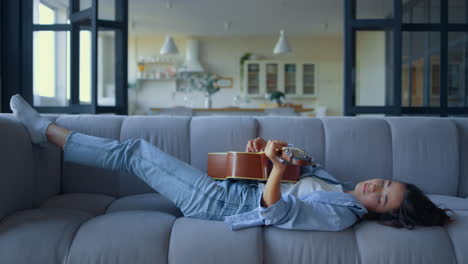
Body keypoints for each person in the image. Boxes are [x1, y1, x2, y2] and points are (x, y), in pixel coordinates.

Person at [8, 94, 453, 231]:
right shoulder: (341, 186)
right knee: (138, 154)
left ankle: (45, 132)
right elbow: (290, 177)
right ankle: (48, 133)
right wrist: (275, 156)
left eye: (381, 198)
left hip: (220, 205)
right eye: (385, 182)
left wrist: (277, 172)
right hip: (226, 189)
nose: (374, 186)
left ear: (382, 214)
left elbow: (276, 211)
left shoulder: (340, 217)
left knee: (136, 152)